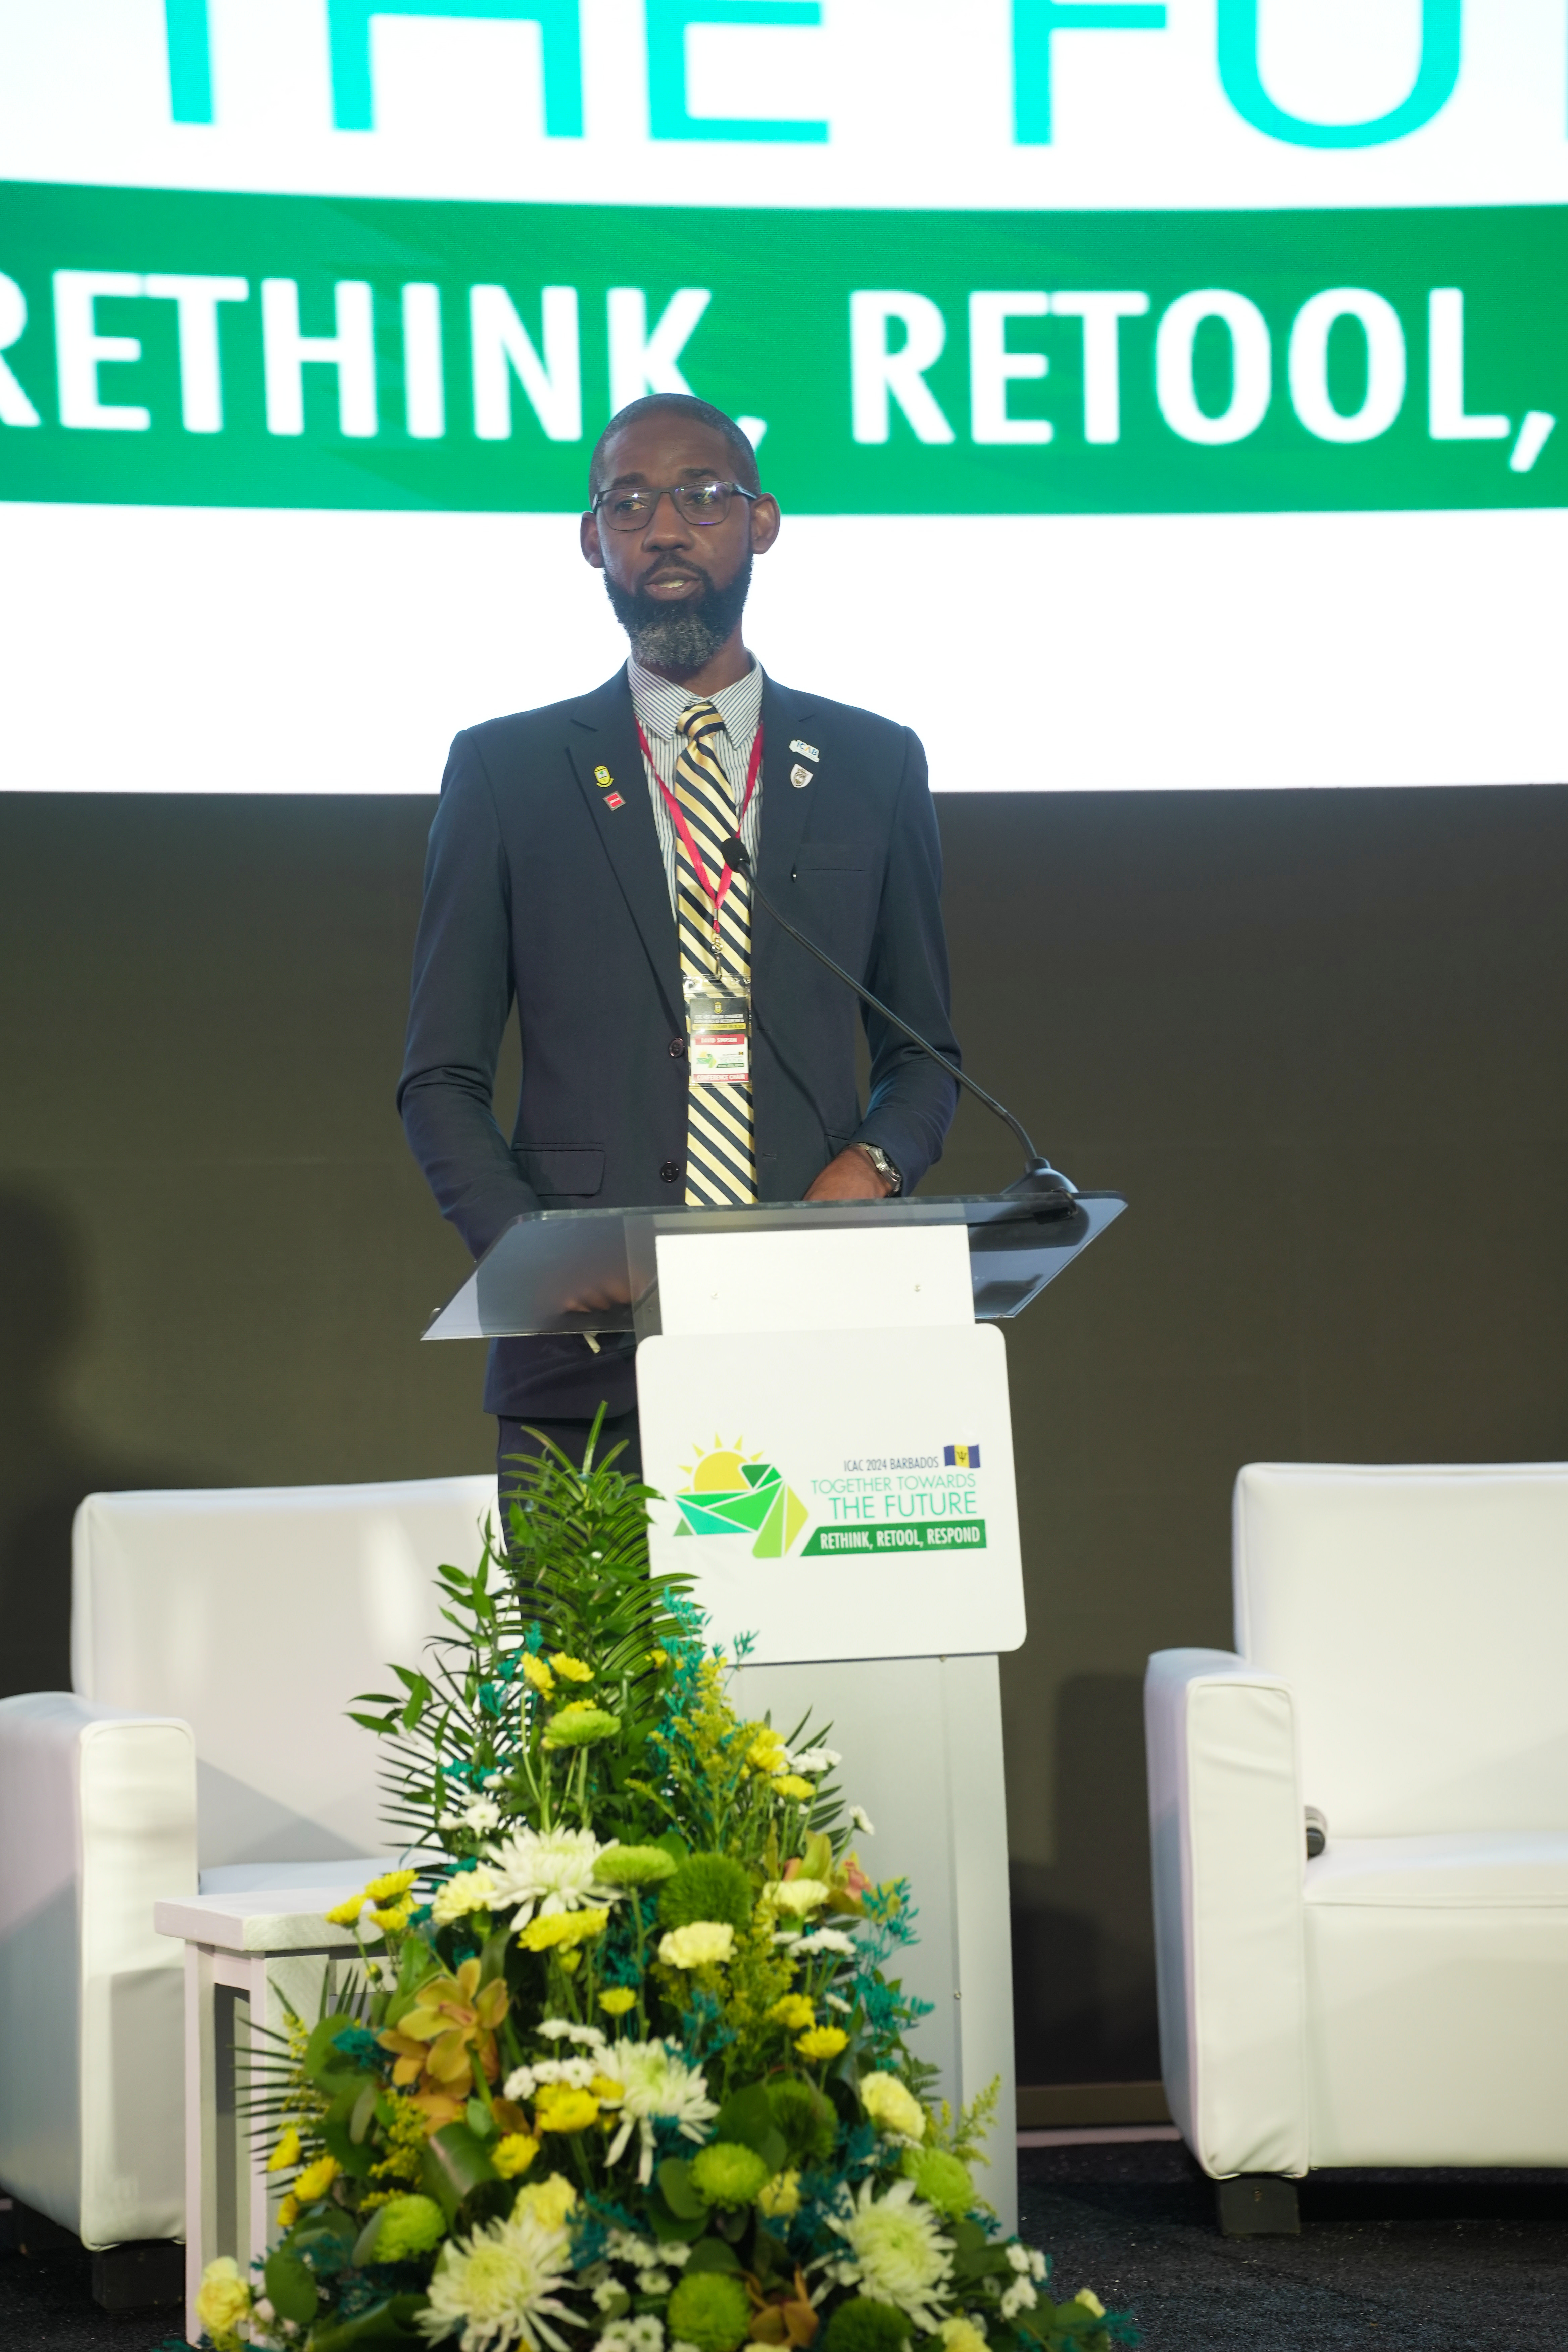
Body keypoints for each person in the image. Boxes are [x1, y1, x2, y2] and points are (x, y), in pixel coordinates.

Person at [398, 393, 960, 1486]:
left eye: (702, 496)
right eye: (629, 503)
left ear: (762, 521)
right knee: (592, 1616)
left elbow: (924, 1054)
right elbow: (440, 1077)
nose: (664, 528)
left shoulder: (874, 764)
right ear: (590, 538)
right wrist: (532, 1255)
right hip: (584, 1365)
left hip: (819, 1342)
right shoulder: (507, 772)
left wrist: (874, 1165)